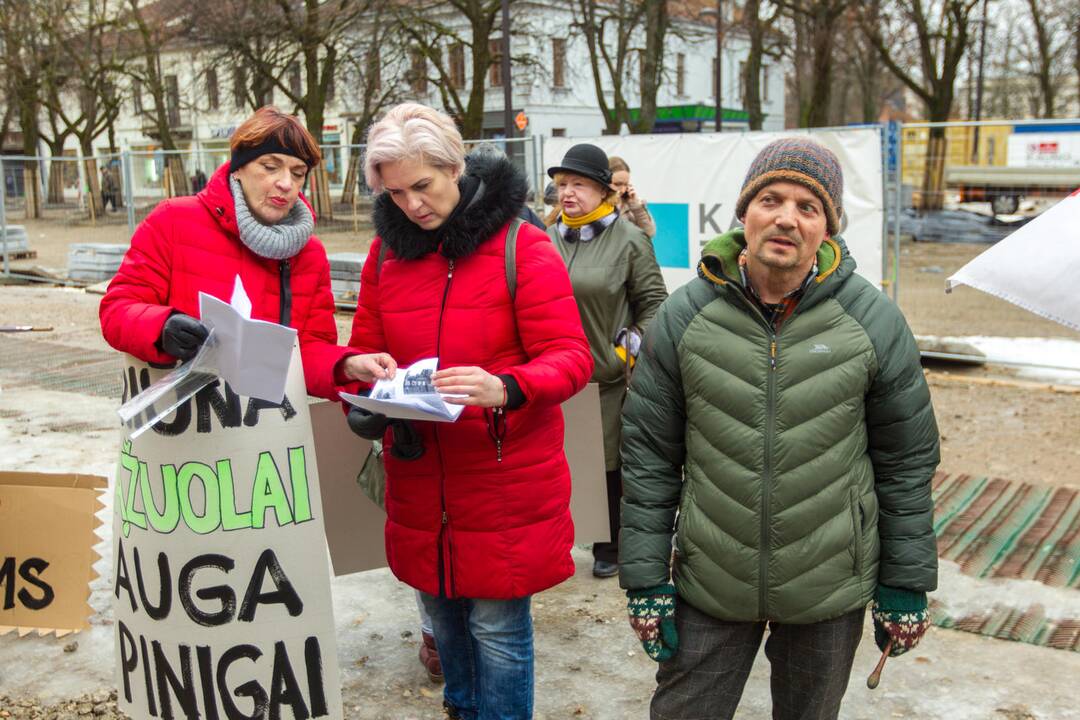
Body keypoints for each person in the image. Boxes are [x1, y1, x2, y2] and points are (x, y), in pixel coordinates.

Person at [619, 137, 940, 720]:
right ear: (745, 214)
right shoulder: (685, 316)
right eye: (771, 199)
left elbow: (905, 462)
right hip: (711, 579)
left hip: (829, 585)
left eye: (807, 206)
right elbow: (648, 457)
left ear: (828, 228)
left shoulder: (873, 321)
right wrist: (644, 578)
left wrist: (905, 582)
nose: (786, 218)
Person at [341, 102, 593, 720]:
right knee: (444, 622)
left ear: (455, 167)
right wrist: (369, 380)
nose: (411, 205)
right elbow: (364, 347)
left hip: (504, 477)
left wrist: (505, 386)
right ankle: (460, 709)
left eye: (422, 186)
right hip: (421, 474)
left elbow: (571, 357)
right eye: (395, 193)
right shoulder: (385, 257)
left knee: (498, 629)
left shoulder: (521, 247)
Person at [99, 105, 360, 402]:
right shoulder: (173, 221)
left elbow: (311, 350)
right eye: (270, 167)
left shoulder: (310, 254)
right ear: (238, 168)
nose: (286, 184)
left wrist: (345, 367)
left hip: (269, 434)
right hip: (183, 426)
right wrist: (161, 327)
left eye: (298, 173)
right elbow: (116, 309)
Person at [546, 143, 667, 578]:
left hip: (605, 376)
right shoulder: (547, 238)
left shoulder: (629, 240)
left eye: (578, 184)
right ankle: (562, 540)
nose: (568, 193)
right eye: (562, 184)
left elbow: (654, 303)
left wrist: (624, 350)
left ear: (604, 190)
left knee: (606, 465)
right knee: (558, 460)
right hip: (552, 375)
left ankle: (610, 545)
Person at [608, 155, 655, 238]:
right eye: (617, 184)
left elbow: (649, 234)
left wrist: (637, 208)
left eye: (625, 184)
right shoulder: (594, 203)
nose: (622, 190)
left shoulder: (630, 204)